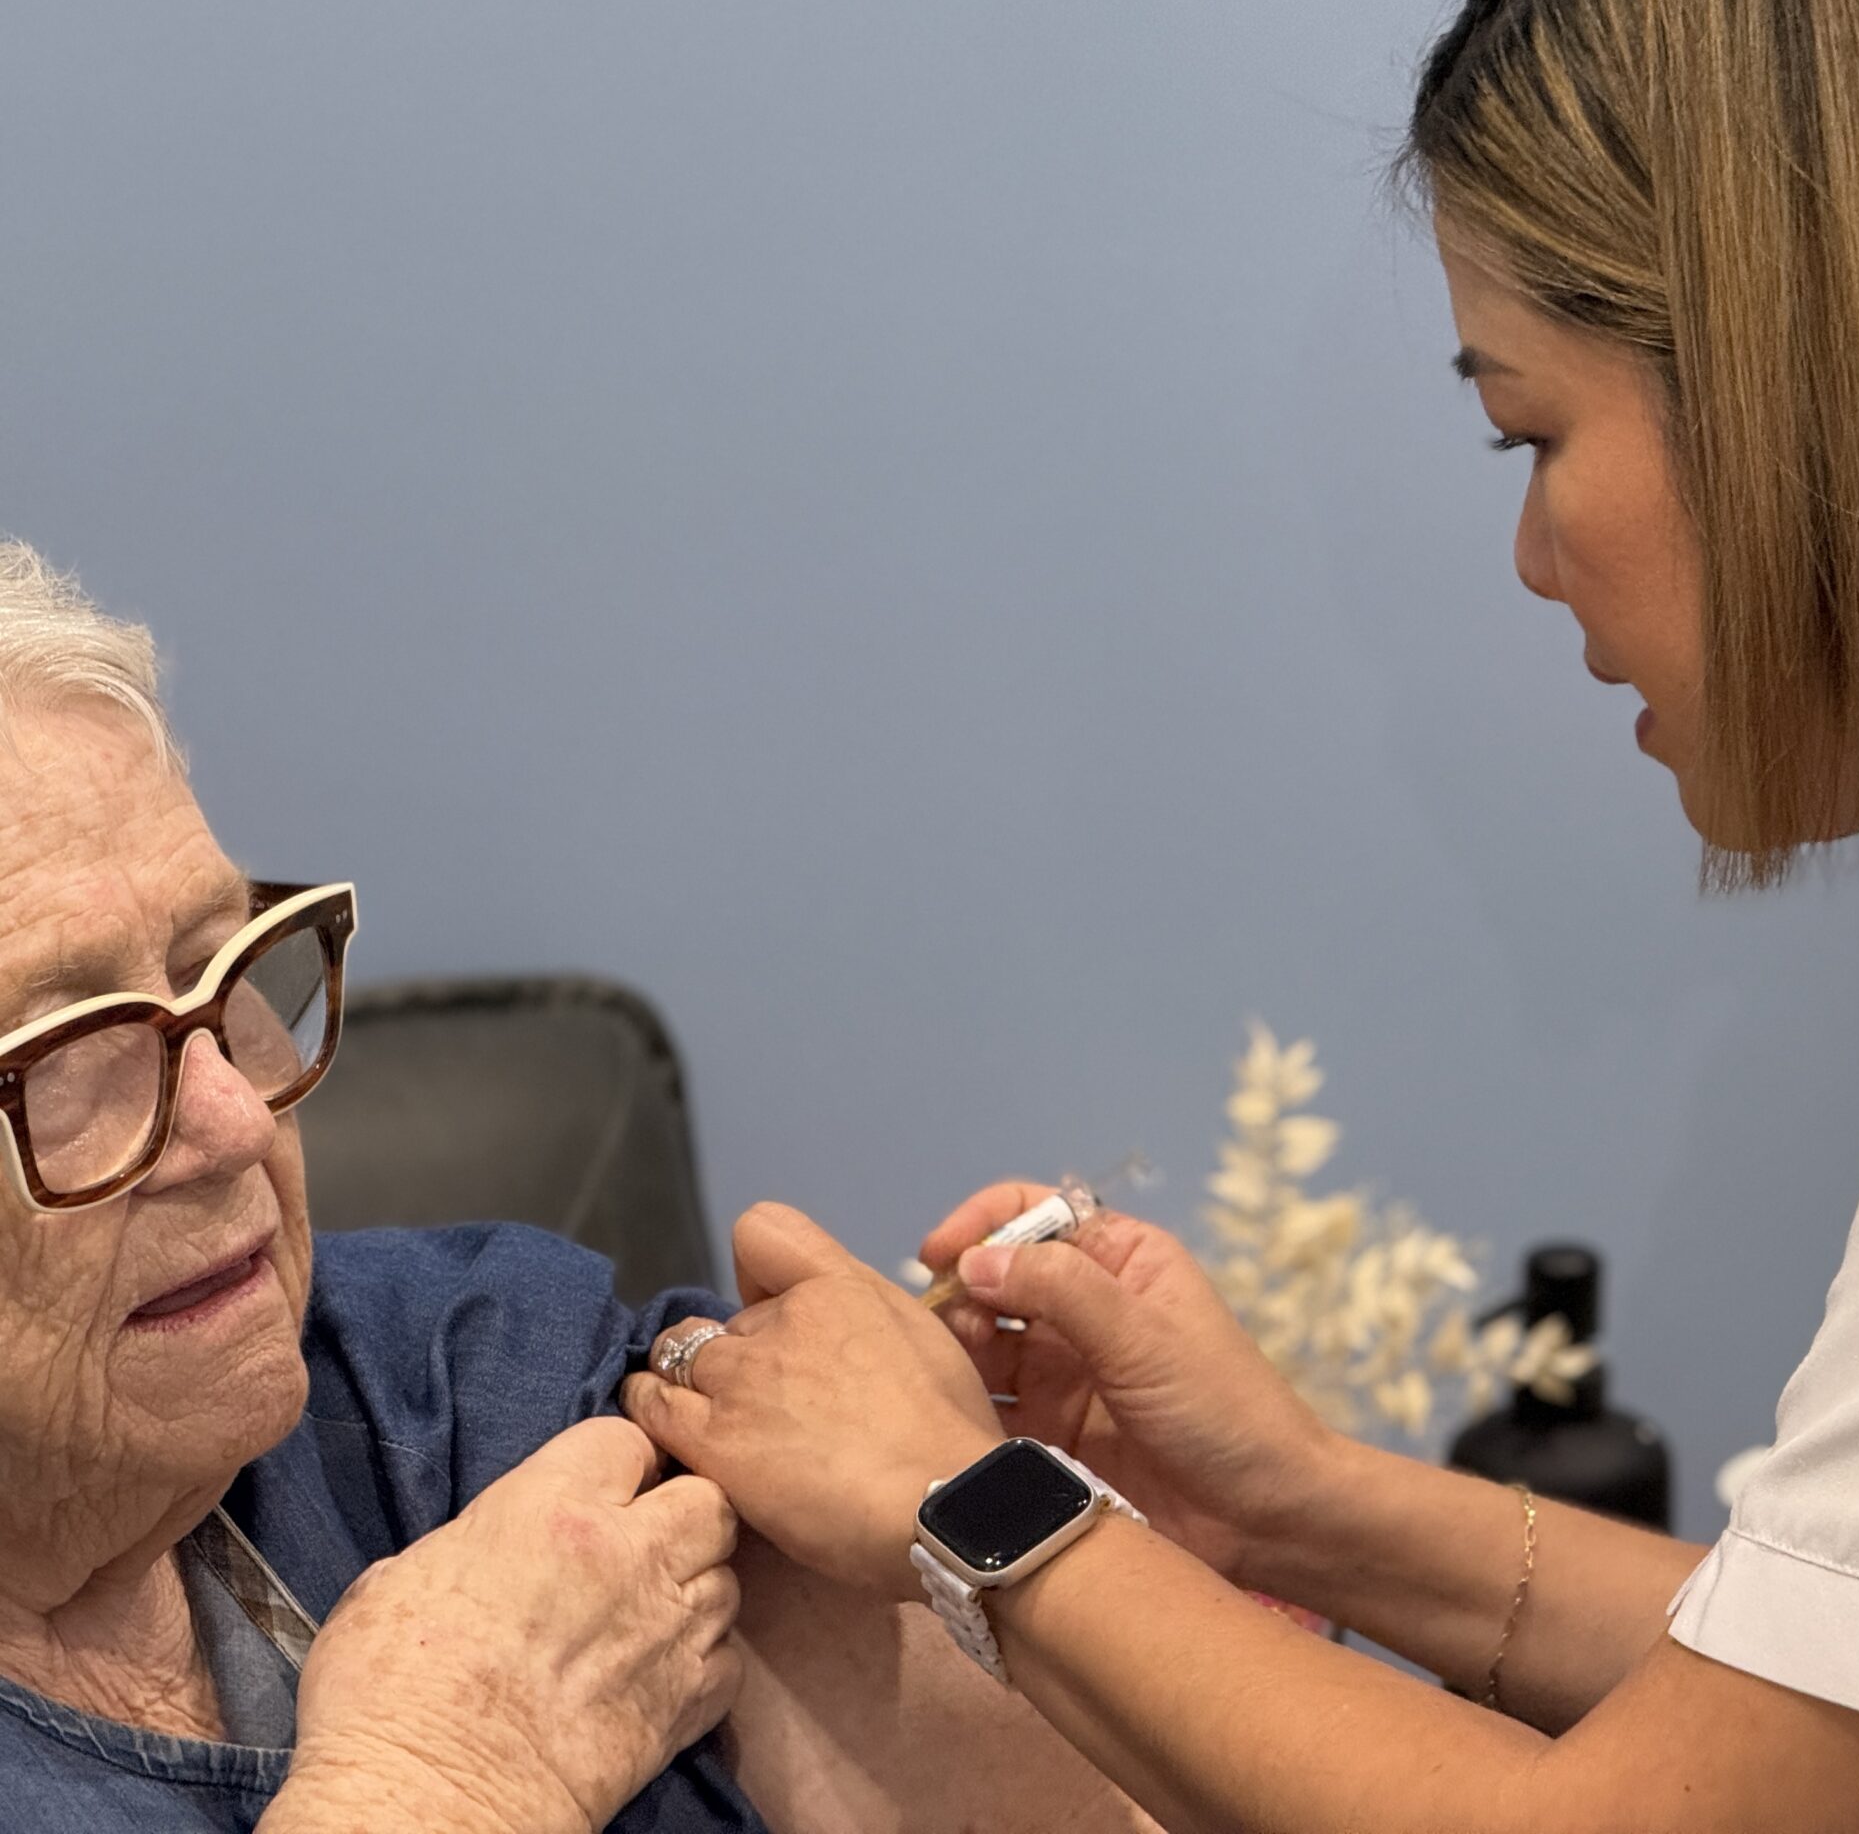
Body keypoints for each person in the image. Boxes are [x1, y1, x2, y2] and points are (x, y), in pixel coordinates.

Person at [618, 0, 1859, 1830]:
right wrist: (1299, 1504)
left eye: (1525, 431)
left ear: (1804, 373)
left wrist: (957, 1502)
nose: (1536, 560)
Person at [0, 540, 1155, 1833]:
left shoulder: (441, 1378)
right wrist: (441, 1787)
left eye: (224, 969)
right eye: (64, 1054)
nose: (230, 1116)